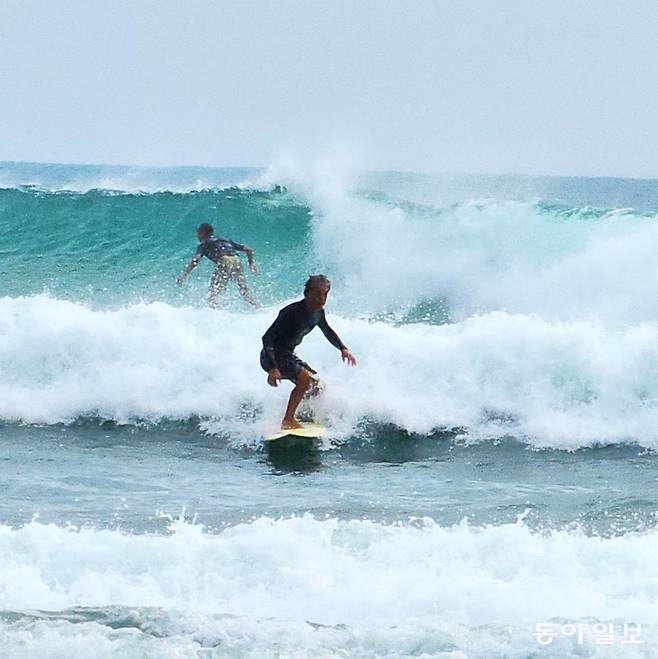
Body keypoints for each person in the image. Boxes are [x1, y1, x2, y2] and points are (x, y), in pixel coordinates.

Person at [260, 274, 357, 429]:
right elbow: (267, 338)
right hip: (272, 355)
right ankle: (288, 420)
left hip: (288, 355)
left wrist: (343, 348)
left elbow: (327, 331)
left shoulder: (318, 313)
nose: (321, 298)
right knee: (305, 379)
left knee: (316, 385)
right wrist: (273, 369)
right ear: (307, 293)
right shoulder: (291, 312)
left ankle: (299, 411)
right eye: (317, 294)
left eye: (325, 294)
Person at [177, 223, 259, 307]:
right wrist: (251, 264)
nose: (197, 235)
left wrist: (184, 275)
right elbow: (249, 249)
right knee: (243, 289)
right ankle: (257, 307)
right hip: (236, 260)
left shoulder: (204, 244)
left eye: (198, 232)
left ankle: (213, 312)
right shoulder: (225, 240)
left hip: (225, 260)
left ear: (202, 233)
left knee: (214, 292)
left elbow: (196, 260)